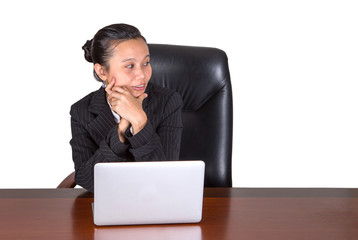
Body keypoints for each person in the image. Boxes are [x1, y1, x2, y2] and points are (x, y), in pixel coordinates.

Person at [70, 23, 183, 192]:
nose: (142, 75)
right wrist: (121, 131)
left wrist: (139, 121)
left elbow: (164, 180)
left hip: (157, 204)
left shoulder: (168, 102)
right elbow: (87, 180)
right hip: (111, 204)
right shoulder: (81, 111)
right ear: (102, 71)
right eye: (130, 66)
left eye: (146, 63)